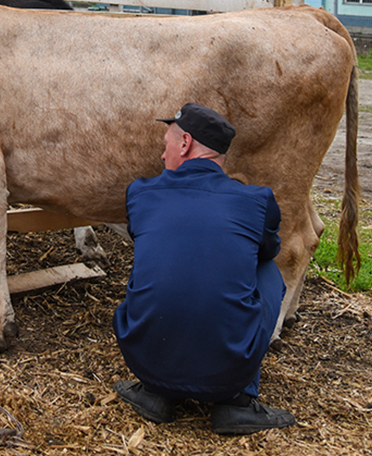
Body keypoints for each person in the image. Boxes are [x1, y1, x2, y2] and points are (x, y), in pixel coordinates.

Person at [112, 103, 296, 435]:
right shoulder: (256, 201)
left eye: (165, 145)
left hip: (143, 361)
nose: (161, 155)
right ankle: (236, 402)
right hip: (228, 373)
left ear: (184, 144)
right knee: (267, 269)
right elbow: (269, 250)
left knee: (160, 254)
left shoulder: (140, 193)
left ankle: (156, 391)